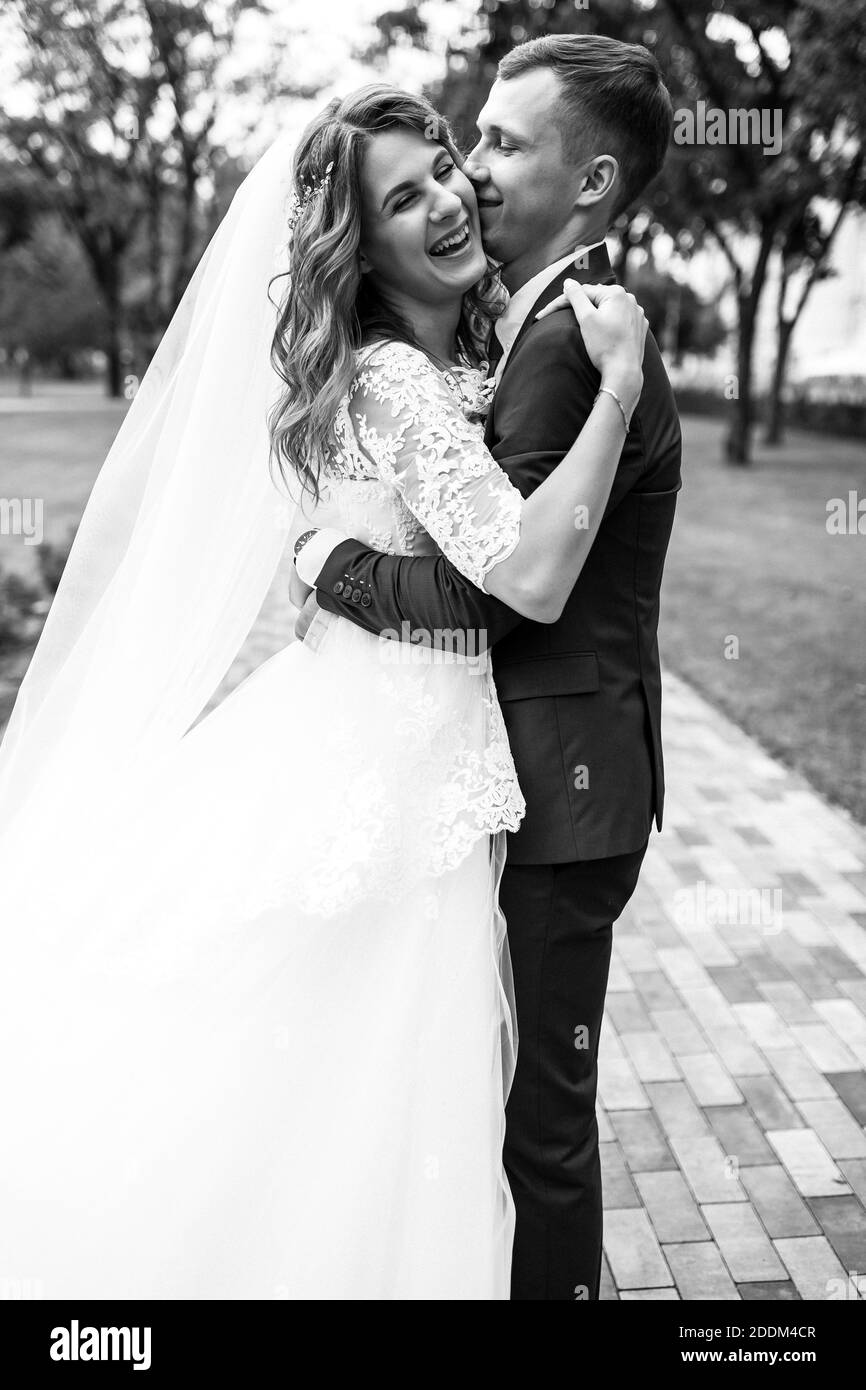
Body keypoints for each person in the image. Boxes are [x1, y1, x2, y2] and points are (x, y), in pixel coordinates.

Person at [0, 83, 646, 1300]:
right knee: (364, 1084)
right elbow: (526, 573)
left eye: (445, 166)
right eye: (402, 199)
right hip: (393, 772)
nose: (450, 198)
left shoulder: (447, 349)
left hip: (401, 749)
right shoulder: (395, 380)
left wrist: (325, 562)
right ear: (358, 243)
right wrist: (617, 388)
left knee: (379, 1087)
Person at [294, 35, 683, 1301]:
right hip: (510, 779)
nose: (468, 177)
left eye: (497, 148)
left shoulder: (571, 345)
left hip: (562, 792)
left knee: (537, 1128)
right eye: (452, 155)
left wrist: (328, 570)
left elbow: (504, 588)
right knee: (492, 1101)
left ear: (591, 182)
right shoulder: (508, 338)